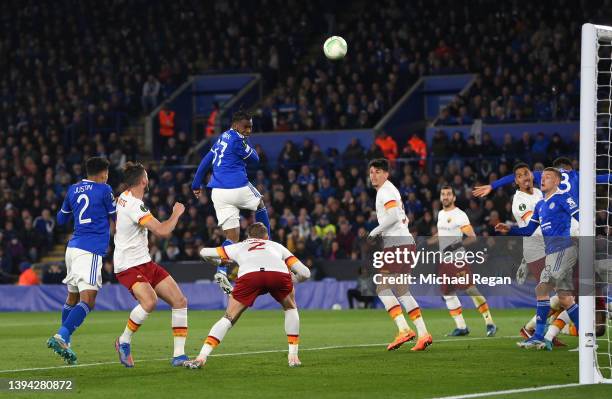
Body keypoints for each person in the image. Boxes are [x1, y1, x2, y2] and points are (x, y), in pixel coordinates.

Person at [183, 223, 310, 369]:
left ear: (248, 237)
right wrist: (291, 280)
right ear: (266, 236)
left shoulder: (239, 246)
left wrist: (218, 261)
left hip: (250, 276)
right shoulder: (276, 245)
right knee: (290, 308)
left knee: (228, 317)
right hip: (278, 275)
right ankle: (293, 356)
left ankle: (201, 357)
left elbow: (204, 252)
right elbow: (305, 273)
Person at [113, 162, 189, 367]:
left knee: (180, 301)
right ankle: (123, 340)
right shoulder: (133, 204)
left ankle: (179, 355)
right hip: (128, 265)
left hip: (144, 262)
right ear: (144, 181)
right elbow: (163, 231)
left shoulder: (124, 197)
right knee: (149, 301)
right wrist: (177, 213)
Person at [495, 167, 580, 350]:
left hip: (564, 249)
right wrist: (510, 229)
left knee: (542, 288)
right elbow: (528, 230)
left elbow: (580, 216)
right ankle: (587, 338)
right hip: (551, 253)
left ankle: (538, 335)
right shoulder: (540, 204)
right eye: (544, 177)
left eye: (548, 177)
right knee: (565, 299)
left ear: (557, 182)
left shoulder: (564, 198)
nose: (544, 179)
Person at [47, 157, 117, 365]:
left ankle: (65, 342)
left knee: (72, 298)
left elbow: (60, 220)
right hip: (90, 249)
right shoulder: (105, 189)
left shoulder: (72, 189)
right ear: (103, 173)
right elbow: (116, 217)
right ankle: (62, 336)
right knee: (88, 300)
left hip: (72, 249)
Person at [191, 110, 271, 290]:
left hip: (218, 192)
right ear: (236, 125)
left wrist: (196, 184)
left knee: (232, 237)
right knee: (260, 204)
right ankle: (269, 246)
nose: (249, 130)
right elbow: (256, 159)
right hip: (237, 186)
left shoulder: (222, 138)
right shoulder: (238, 140)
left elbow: (206, 160)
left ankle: (221, 271)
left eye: (251, 127)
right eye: (246, 127)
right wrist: (246, 142)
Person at [367, 158, 432, 351]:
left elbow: (394, 216)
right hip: (405, 243)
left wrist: (375, 231)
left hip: (396, 245)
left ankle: (404, 329)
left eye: (378, 171)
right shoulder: (389, 190)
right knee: (402, 291)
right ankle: (423, 334)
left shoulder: (385, 191)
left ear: (386, 174)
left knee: (382, 288)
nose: (374, 175)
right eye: (371, 172)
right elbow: (401, 217)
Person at [511, 163, 565, 346]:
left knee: (561, 292)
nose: (525, 177)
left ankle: (535, 329)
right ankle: (536, 330)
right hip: (537, 249)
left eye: (526, 173)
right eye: (520, 176)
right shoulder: (519, 201)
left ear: (532, 175)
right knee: (557, 291)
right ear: (516, 181)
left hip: (549, 246)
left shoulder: (539, 193)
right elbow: (533, 227)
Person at [436, 186, 497, 337]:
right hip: (444, 262)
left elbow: (472, 236)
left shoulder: (460, 215)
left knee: (470, 289)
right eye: (443, 194)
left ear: (454, 198)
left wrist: (456, 245)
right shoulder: (440, 214)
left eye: (449, 194)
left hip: (457, 260)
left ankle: (490, 323)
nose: (445, 197)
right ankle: (461, 327)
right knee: (448, 293)